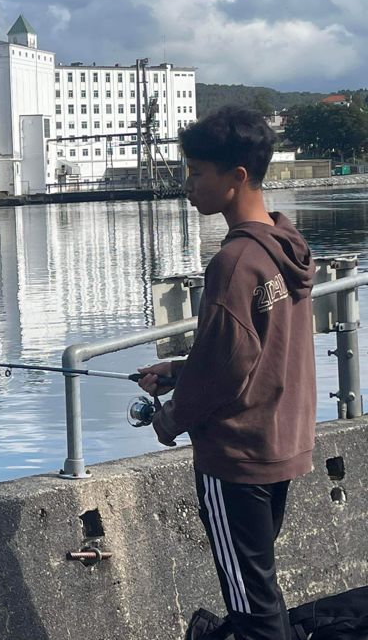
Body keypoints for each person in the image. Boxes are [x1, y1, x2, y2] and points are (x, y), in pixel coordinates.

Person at [137, 106, 316, 640]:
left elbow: (225, 370)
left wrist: (171, 418)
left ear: (236, 177)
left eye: (196, 172)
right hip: (281, 442)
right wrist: (179, 366)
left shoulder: (234, 261)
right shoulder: (285, 250)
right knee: (259, 589)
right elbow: (252, 351)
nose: (187, 185)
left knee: (251, 607)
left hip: (235, 457)